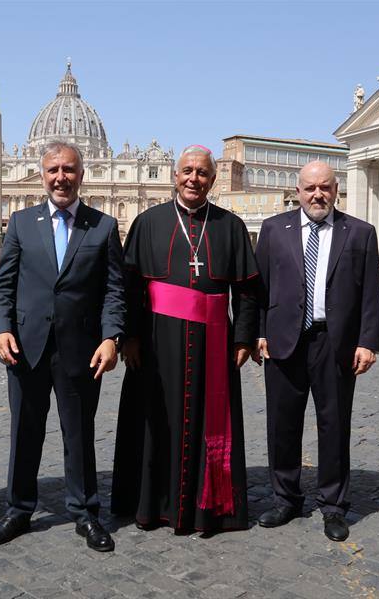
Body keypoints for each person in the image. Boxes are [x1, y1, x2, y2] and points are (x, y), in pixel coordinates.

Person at [110, 145, 259, 533]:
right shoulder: (148, 222)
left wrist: (243, 338)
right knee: (154, 423)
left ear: (212, 179)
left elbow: (246, 291)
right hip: (157, 344)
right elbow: (129, 287)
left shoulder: (230, 226)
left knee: (209, 422)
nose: (194, 179)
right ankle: (152, 505)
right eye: (187, 171)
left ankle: (207, 508)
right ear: (176, 175)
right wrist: (130, 338)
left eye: (203, 173)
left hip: (214, 342)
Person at [0, 141, 125, 552]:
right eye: (53, 170)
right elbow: (3, 287)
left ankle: (85, 512)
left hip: (81, 347)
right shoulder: (20, 222)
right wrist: (1, 329)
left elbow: (114, 290)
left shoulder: (102, 226)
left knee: (80, 433)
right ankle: (18, 509)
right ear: (42, 174)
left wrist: (110, 336)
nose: (60, 177)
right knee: (24, 431)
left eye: (68, 169)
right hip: (25, 345)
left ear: (81, 175)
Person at [253, 160, 379, 542]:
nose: (317, 195)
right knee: (282, 424)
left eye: (325, 187)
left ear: (336, 189)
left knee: (335, 424)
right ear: (297, 191)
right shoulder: (274, 229)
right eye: (310, 188)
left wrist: (368, 341)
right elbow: (260, 288)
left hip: (335, 342)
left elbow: (370, 294)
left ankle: (333, 505)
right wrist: (259, 332)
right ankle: (285, 498)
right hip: (283, 341)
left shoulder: (360, 233)